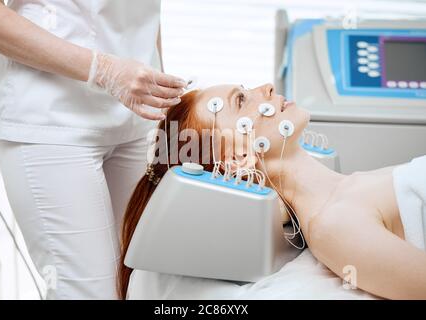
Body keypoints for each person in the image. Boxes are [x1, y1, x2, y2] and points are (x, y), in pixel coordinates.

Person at [118, 84, 426, 300]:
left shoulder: (349, 192)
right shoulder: (333, 227)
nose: (265, 88)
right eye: (241, 100)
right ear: (238, 157)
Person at [0, 0, 187, 299]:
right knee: (89, 292)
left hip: (134, 113)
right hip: (50, 115)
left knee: (143, 285)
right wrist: (101, 68)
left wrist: (160, 91)